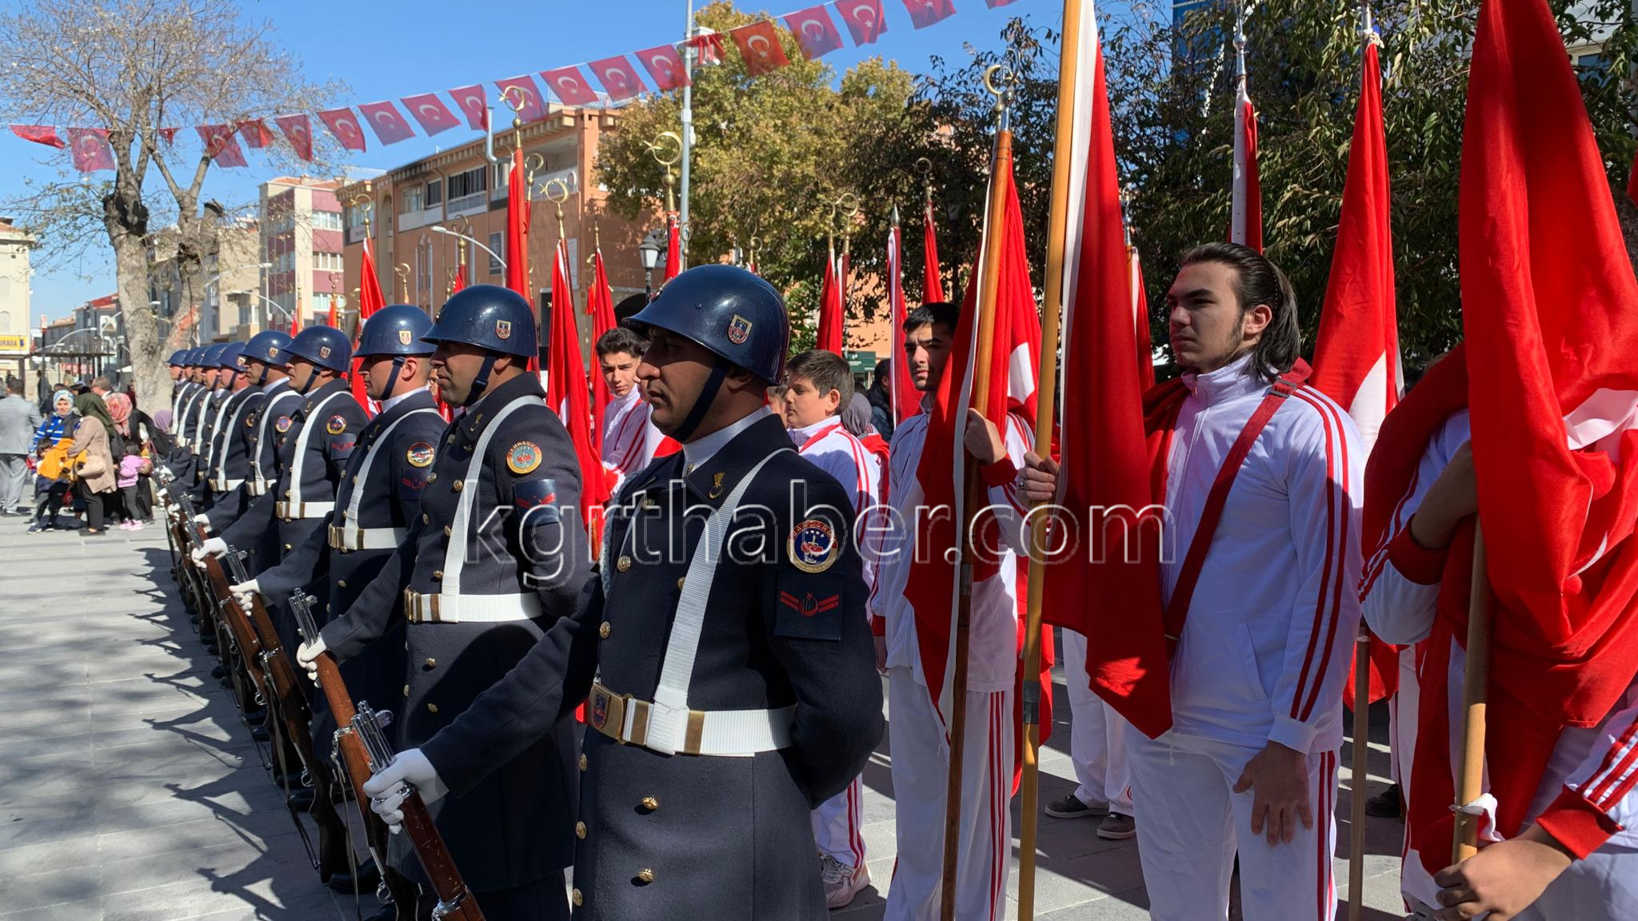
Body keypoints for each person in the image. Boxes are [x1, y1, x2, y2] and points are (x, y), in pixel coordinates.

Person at [350, 266, 884, 921]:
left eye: (668, 350)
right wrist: (440, 759)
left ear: (739, 369)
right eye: (648, 347)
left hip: (722, 865)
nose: (645, 367)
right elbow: (575, 648)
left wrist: (761, 797)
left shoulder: (795, 499)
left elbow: (846, 714)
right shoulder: (649, 490)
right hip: (616, 853)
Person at [1021, 242, 1363, 921]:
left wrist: (1292, 737)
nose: (1176, 315)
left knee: (1286, 911)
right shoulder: (1156, 417)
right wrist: (1064, 497)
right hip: (1161, 717)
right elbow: (1121, 545)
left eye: (1199, 301)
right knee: (1178, 908)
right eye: (1172, 302)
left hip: (1264, 728)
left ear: (1258, 318)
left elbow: (1332, 593)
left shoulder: (1309, 424)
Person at [292, 286, 590, 921]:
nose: (436, 364)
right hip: (445, 680)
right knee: (452, 863)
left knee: (510, 879)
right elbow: (416, 556)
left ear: (500, 358)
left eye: (452, 350)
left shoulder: (526, 431)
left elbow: (563, 580)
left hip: (492, 682)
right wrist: (343, 634)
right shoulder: (471, 430)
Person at [873, 301, 1034, 921]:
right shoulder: (910, 431)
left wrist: (993, 456)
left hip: (977, 645)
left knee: (976, 817)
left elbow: (1029, 535)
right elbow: (895, 535)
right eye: (912, 345)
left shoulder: (1001, 427)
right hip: (914, 636)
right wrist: (884, 619)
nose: (919, 357)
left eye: (935, 344)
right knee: (918, 807)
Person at [782, 348, 884, 909]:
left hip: (833, 620)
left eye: (798, 390)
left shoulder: (845, 456)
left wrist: (858, 617)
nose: (787, 399)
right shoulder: (795, 452)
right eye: (787, 389)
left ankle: (846, 861)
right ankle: (814, 848)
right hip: (795, 616)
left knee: (834, 740)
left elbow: (869, 543)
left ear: (831, 399)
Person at [596, 326, 664, 490]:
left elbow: (619, 471)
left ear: (640, 363)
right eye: (608, 369)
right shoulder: (612, 406)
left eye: (624, 367)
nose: (616, 378)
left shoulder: (644, 409)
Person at [70, 391, 119, 536]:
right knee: (91, 494)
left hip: (91, 462)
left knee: (92, 494)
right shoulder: (97, 420)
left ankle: (96, 526)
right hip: (96, 460)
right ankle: (93, 524)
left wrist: (69, 451)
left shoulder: (90, 421)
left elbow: (81, 441)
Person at [29, 390, 77, 531]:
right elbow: (38, 437)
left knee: (58, 494)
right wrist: (33, 452)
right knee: (43, 494)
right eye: (60, 404)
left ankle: (53, 519)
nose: (63, 407)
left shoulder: (76, 421)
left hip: (63, 464)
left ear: (71, 404)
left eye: (66, 404)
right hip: (47, 463)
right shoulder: (50, 420)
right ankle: (37, 520)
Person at [0, 378, 42, 515]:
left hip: (1, 445)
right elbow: (39, 425)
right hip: (21, 446)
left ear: (8, 389)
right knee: (17, 477)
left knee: (4, 476)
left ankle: (3, 502)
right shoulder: (28, 406)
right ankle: (11, 507)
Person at [115, 442, 149, 530]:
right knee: (125, 504)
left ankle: (137, 521)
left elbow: (130, 472)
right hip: (124, 485)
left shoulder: (131, 460)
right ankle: (130, 520)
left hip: (130, 485)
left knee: (131, 504)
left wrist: (119, 470)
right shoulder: (127, 459)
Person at [866, 358, 895, 441]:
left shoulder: (885, 401)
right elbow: (887, 445)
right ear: (885, 381)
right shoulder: (876, 412)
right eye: (896, 378)